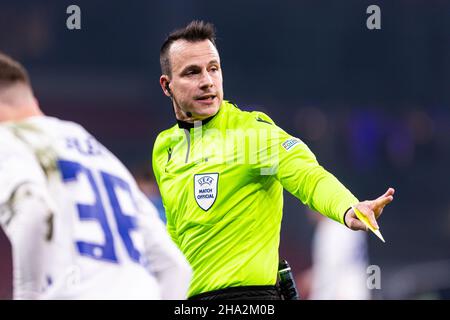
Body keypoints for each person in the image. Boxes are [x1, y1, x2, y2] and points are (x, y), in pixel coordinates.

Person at [152, 20, 395, 300]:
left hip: (250, 300)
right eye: (192, 72)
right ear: (167, 85)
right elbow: (174, 232)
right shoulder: (164, 148)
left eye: (213, 69)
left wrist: (348, 207)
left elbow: (307, 175)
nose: (207, 81)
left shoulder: (252, 133)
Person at [0, 52, 192, 299]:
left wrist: (27, 295)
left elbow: (34, 211)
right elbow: (175, 267)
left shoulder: (10, 139)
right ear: (32, 101)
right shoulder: (102, 155)